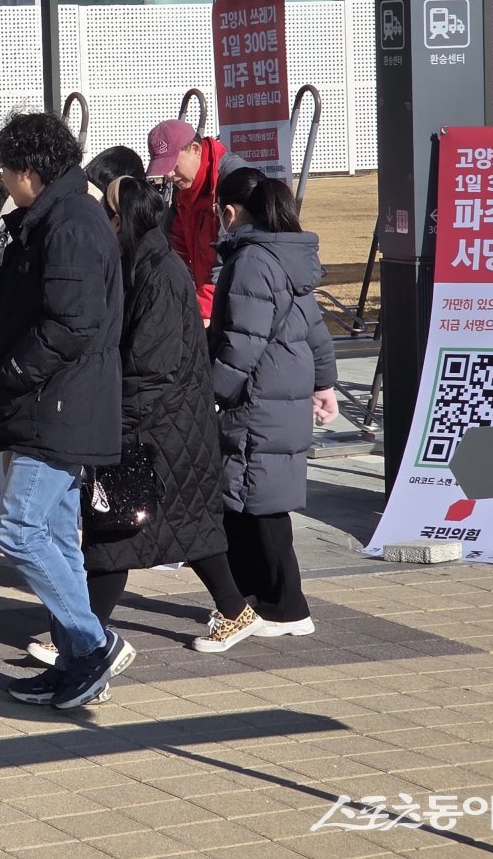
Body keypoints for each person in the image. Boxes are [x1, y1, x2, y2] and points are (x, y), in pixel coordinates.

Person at [26, 176, 259, 666]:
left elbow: (151, 367)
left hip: (160, 426)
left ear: (123, 219)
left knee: (117, 532)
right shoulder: (141, 264)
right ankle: (235, 611)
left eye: (107, 214)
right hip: (168, 426)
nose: (101, 223)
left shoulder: (159, 273)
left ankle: (82, 632)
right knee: (185, 527)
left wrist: (114, 417)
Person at [0, 112, 133, 710]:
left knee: (18, 529)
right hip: (57, 401)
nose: (2, 181)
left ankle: (92, 646)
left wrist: (17, 370)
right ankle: (76, 665)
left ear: (30, 173)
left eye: (5, 171)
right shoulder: (52, 220)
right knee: (59, 539)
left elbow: (72, 322)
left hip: (58, 403)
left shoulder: (70, 225)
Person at [210, 166, 338, 640]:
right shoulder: (285, 255)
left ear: (229, 211)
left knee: (256, 503)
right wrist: (324, 384)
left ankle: (284, 607)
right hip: (280, 391)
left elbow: (242, 341)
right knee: (251, 500)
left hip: (258, 395)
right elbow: (314, 328)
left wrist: (212, 392)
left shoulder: (251, 260)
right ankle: (259, 601)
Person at [145, 120, 242, 322]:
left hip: (238, 303)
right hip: (211, 303)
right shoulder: (184, 192)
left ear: (196, 150)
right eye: (165, 168)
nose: (169, 175)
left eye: (173, 165)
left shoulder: (233, 181)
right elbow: (175, 246)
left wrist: (201, 309)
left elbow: (234, 256)